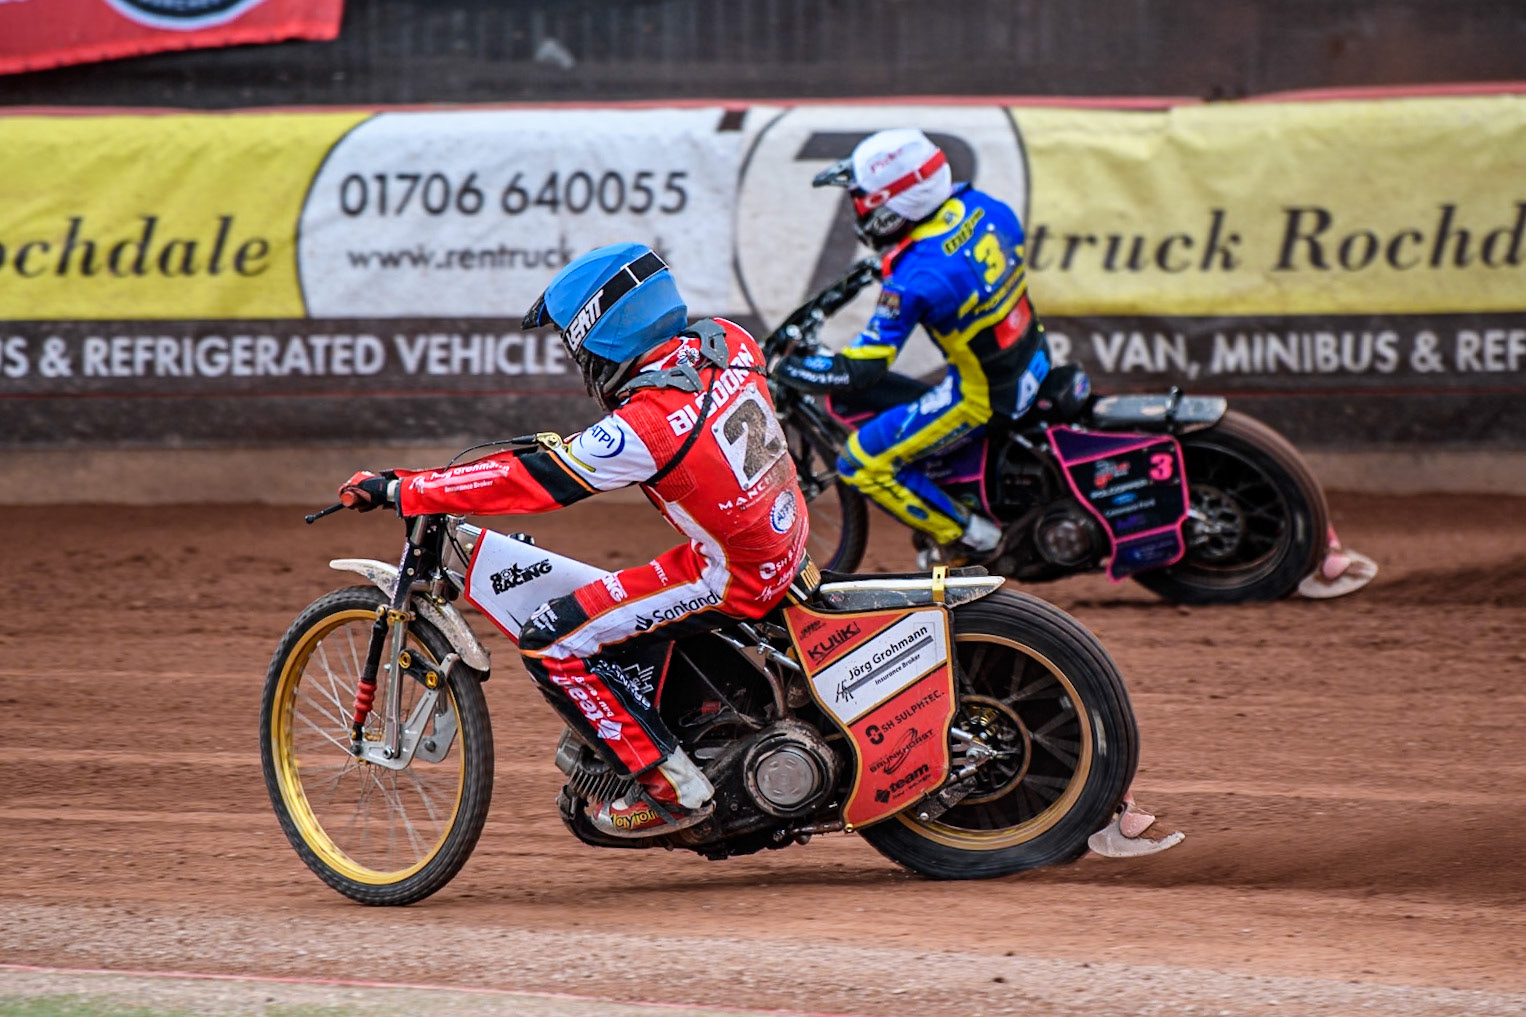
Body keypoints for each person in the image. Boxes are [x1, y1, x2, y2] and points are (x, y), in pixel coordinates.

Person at [336, 243, 809, 839]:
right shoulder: (730, 342)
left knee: (551, 639)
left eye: (576, 347)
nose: (579, 363)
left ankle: (672, 791)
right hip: (784, 538)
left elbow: (533, 482)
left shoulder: (646, 425)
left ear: (601, 336)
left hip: (731, 575)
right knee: (613, 602)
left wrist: (406, 489)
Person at [775, 127, 1053, 563]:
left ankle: (971, 539)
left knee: (860, 462)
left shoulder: (917, 278)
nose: (858, 210)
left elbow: (862, 370)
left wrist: (787, 369)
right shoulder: (985, 208)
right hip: (1031, 358)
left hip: (981, 397)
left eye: (860, 200)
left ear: (890, 206)